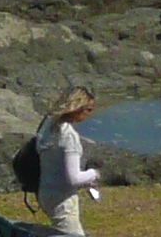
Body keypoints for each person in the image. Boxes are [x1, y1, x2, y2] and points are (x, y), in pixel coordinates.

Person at [34, 87, 103, 232]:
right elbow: (74, 178)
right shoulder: (68, 136)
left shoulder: (47, 125)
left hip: (45, 192)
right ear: (78, 108)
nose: (89, 115)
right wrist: (94, 174)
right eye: (88, 110)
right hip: (62, 200)